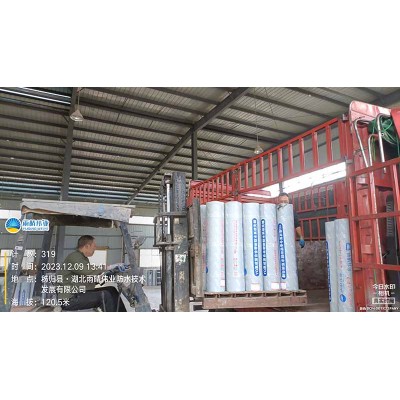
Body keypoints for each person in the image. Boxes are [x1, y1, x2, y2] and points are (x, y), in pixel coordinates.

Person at [58, 235, 128, 312]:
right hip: (70, 298)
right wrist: (109, 267)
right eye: (94, 246)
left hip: (78, 292)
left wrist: (103, 277)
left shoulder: (83, 258)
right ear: (87, 246)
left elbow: (86, 278)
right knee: (105, 296)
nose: (95, 248)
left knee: (111, 290)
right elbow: (87, 271)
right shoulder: (74, 257)